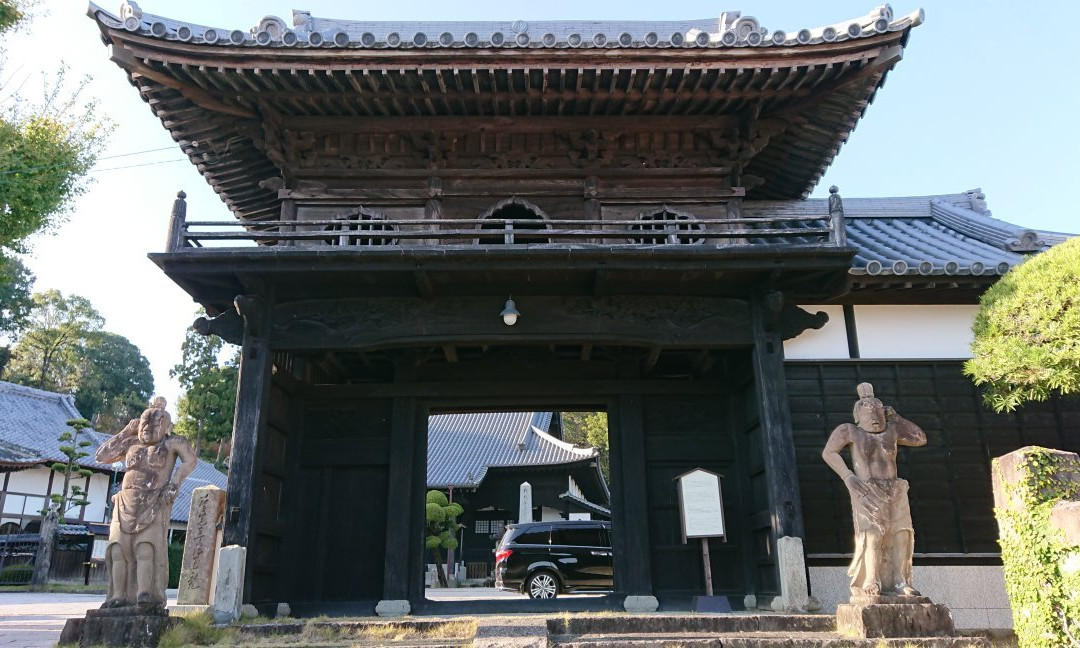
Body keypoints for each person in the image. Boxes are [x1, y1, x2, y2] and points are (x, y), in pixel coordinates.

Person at [822, 383, 926, 598]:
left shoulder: (892, 430)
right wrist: (848, 476)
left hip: (895, 488)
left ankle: (900, 581)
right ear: (857, 415)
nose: (875, 416)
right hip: (866, 488)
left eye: (878, 411)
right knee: (872, 535)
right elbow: (829, 452)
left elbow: (920, 439)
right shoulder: (850, 431)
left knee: (901, 535)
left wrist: (896, 418)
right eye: (868, 411)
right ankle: (871, 578)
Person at [95, 397, 197, 608]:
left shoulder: (171, 444)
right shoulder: (131, 443)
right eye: (144, 422)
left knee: (145, 549)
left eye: (157, 422)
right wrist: (125, 432)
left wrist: (174, 484)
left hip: (154, 500)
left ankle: (144, 593)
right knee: (117, 550)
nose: (149, 426)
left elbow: (190, 460)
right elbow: (101, 456)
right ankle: (118, 595)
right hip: (125, 501)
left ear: (167, 427)